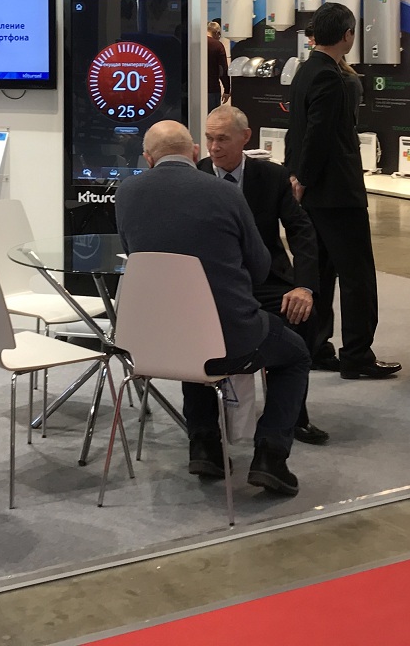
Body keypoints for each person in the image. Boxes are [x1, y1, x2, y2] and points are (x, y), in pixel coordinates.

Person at [115, 120, 311, 496]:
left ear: (147, 158)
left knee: (191, 338)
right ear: (194, 152)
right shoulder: (224, 193)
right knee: (295, 355)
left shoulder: (127, 193)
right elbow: (259, 267)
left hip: (155, 339)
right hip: (230, 338)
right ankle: (270, 456)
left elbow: (135, 255)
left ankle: (203, 445)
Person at [199, 104, 327, 444]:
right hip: (211, 285)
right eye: (209, 139)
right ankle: (206, 428)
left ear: (245, 137)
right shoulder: (196, 176)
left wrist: (304, 286)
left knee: (305, 315)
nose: (214, 148)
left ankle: (292, 416)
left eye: (223, 139)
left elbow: (301, 231)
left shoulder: (272, 177)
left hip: (264, 278)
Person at [285, 2, 399, 380]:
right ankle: (357, 354)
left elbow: (297, 131)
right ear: (348, 35)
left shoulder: (306, 71)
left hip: (314, 193)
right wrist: (304, 177)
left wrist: (296, 177)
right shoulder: (330, 77)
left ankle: (317, 346)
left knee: (319, 272)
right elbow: (319, 136)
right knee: (357, 275)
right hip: (336, 192)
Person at [206, 20, 231, 111]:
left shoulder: (195, 43)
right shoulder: (217, 45)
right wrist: (227, 89)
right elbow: (222, 69)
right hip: (212, 89)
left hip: (193, 89)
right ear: (217, 33)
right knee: (212, 117)